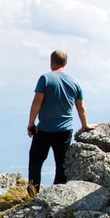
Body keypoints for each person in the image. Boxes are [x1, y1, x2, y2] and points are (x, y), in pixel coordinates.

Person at [26, 50, 92, 195]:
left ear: (51, 62)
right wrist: (85, 125)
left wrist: (31, 123)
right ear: (66, 63)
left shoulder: (45, 79)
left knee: (36, 162)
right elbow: (80, 106)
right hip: (65, 131)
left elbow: (37, 102)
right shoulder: (75, 81)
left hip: (44, 130)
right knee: (61, 164)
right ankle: (58, 194)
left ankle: (32, 194)